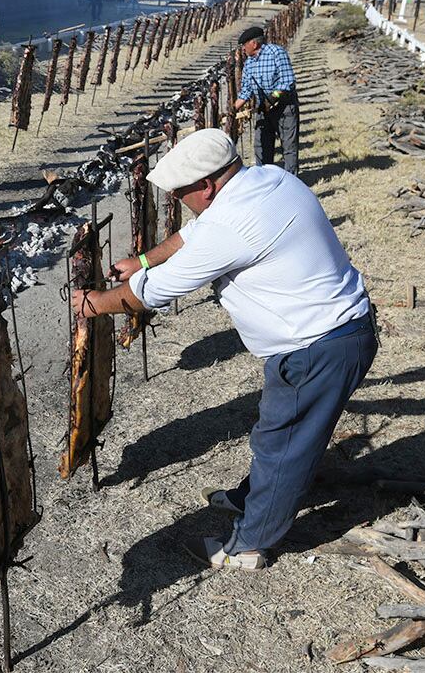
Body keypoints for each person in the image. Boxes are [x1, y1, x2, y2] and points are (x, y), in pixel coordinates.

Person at [70, 128, 376, 571]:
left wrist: (94, 304)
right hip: (331, 334)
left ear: (207, 185)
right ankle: (254, 498)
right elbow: (195, 234)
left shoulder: (234, 223)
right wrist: (142, 261)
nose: (177, 201)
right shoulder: (266, 180)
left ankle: (248, 546)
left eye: (179, 193)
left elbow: (150, 295)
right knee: (277, 435)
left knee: (284, 445)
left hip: (319, 345)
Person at [233, 26, 299, 175]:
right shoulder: (249, 63)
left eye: (244, 45)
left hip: (284, 107)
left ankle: (292, 180)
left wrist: (272, 97)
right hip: (263, 108)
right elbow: (246, 91)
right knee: (261, 146)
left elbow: (288, 81)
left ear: (254, 44)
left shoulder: (276, 53)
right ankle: (265, 178)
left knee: (288, 146)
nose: (243, 49)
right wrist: (232, 110)